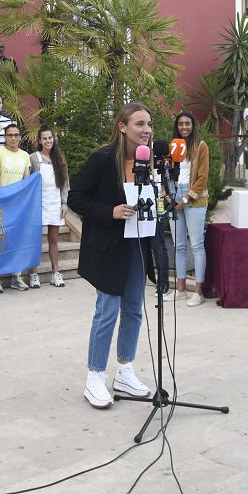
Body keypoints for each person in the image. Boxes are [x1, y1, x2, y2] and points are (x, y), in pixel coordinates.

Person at [68, 102, 155, 409]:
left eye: (149, 124)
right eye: (139, 124)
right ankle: (95, 375)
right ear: (122, 126)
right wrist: (110, 212)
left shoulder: (147, 160)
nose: (146, 130)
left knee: (134, 310)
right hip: (108, 248)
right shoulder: (103, 159)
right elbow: (76, 198)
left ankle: (125, 370)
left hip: (137, 246)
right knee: (108, 311)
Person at [169, 111, 210, 307]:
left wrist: (185, 199)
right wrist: (168, 195)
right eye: (180, 124)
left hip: (194, 198)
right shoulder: (173, 147)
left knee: (196, 245)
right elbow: (167, 174)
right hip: (174, 195)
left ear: (193, 126)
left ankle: (199, 292)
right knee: (179, 245)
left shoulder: (200, 146)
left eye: (187, 123)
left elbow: (202, 178)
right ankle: (181, 289)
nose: (184, 127)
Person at [0, 124, 32, 291]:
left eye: (16, 135)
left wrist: (19, 201)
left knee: (17, 241)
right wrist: (5, 199)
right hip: (0, 203)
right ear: (5, 137)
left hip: (18, 206)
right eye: (9, 135)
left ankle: (16, 277)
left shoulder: (25, 155)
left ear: (20, 137)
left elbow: (26, 181)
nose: (13, 138)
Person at [29, 126, 70, 288]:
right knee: (35, 240)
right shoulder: (33, 158)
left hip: (54, 202)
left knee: (53, 239)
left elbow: (65, 183)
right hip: (37, 204)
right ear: (39, 141)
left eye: (50, 138)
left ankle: (56, 273)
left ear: (54, 139)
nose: (48, 141)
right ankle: (34, 274)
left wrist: (64, 203)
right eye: (44, 138)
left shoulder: (60, 158)